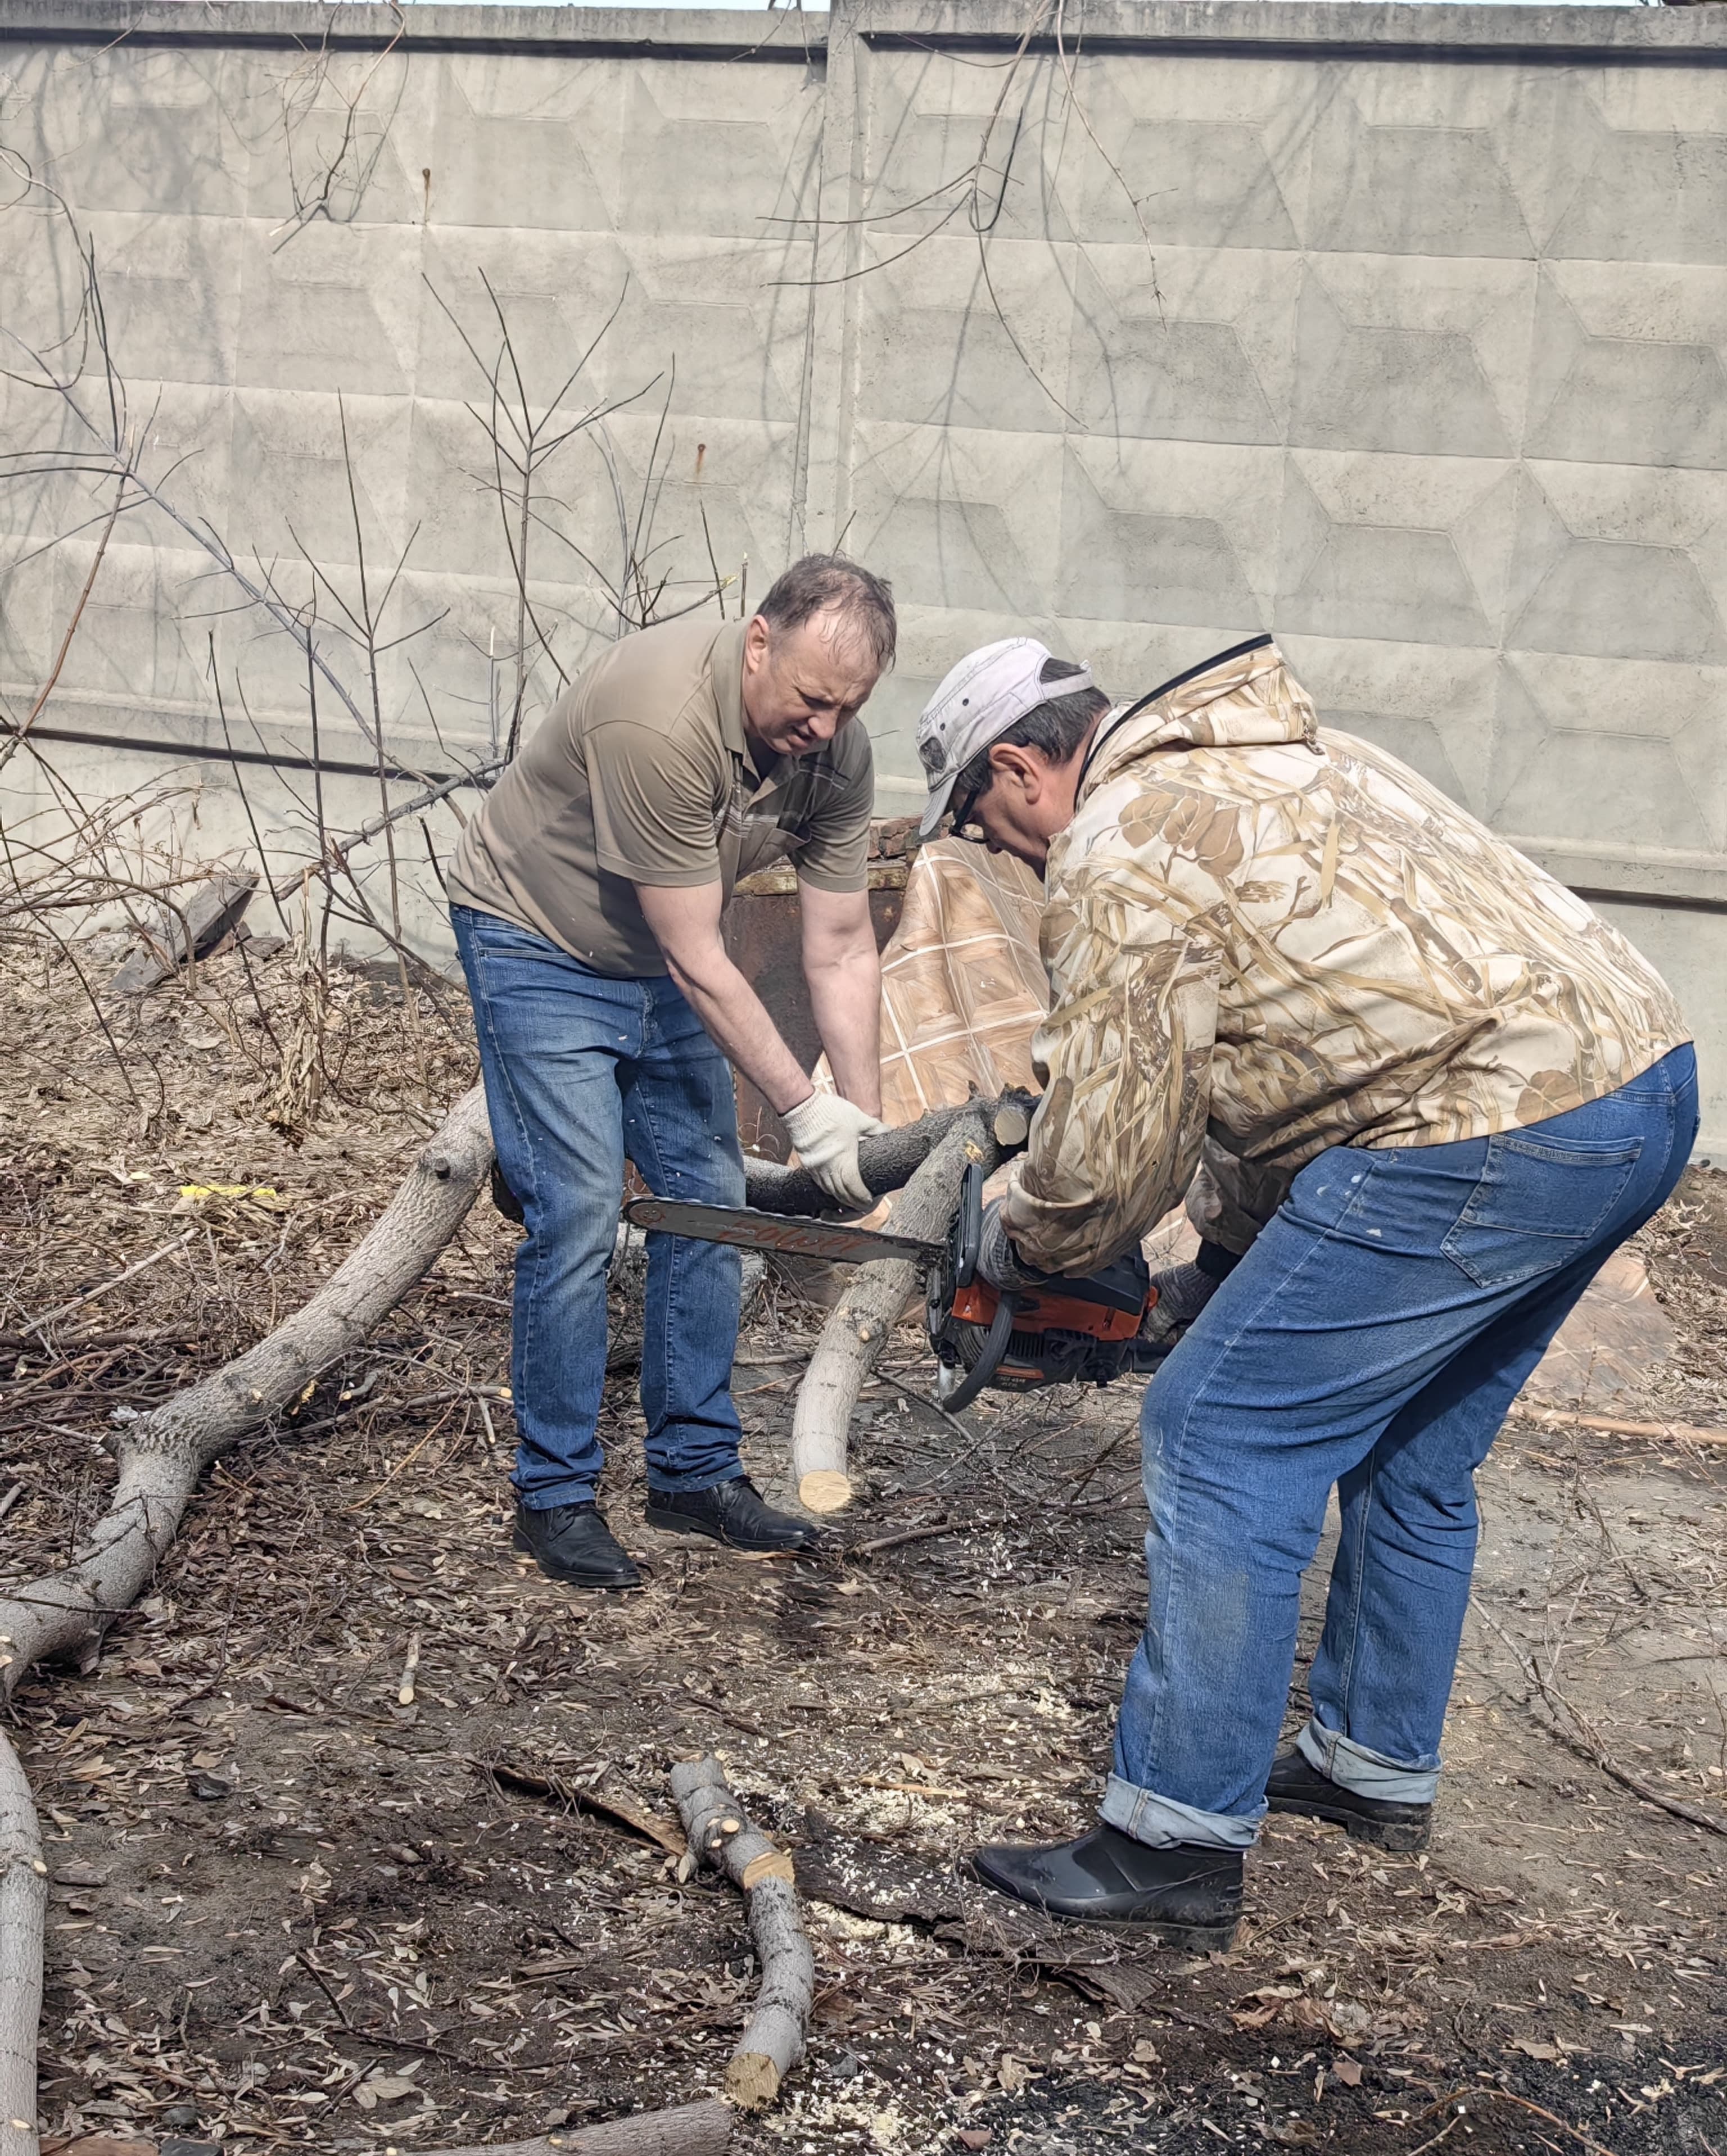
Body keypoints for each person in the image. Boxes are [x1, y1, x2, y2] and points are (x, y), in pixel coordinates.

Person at [914, 633, 1696, 1948]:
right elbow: (1299, 1073)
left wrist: (1025, 1246)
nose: (1009, 856)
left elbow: (1111, 1156)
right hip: (1637, 1083)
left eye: (994, 827)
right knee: (1411, 1448)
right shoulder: (1297, 759)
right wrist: (1212, 1278)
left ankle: (1170, 1840)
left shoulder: (1124, 845)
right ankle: (1371, 1762)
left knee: (1223, 1438)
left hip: (1486, 1126)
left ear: (1019, 767)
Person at [448, 556, 896, 1592]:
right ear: (757, 642)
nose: (824, 728)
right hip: (538, 940)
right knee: (580, 1208)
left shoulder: (837, 754)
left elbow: (841, 946)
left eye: (849, 708)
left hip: (659, 957)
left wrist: (856, 1124)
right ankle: (554, 1495)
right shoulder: (659, 717)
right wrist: (797, 1103)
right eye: (811, 699)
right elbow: (704, 959)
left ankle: (692, 1472)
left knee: (712, 1200)